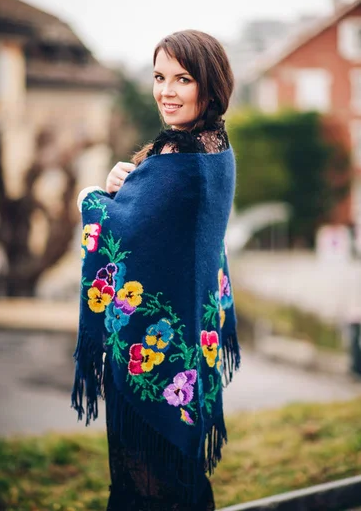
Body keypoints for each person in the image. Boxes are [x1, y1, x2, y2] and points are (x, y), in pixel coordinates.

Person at [73, 30, 241, 511]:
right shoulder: (215, 150)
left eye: (182, 79)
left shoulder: (178, 158)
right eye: (159, 77)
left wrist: (90, 197)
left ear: (209, 87)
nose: (166, 91)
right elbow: (154, 218)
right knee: (181, 482)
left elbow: (123, 231)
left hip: (155, 360)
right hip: (191, 352)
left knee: (145, 490)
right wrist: (122, 186)